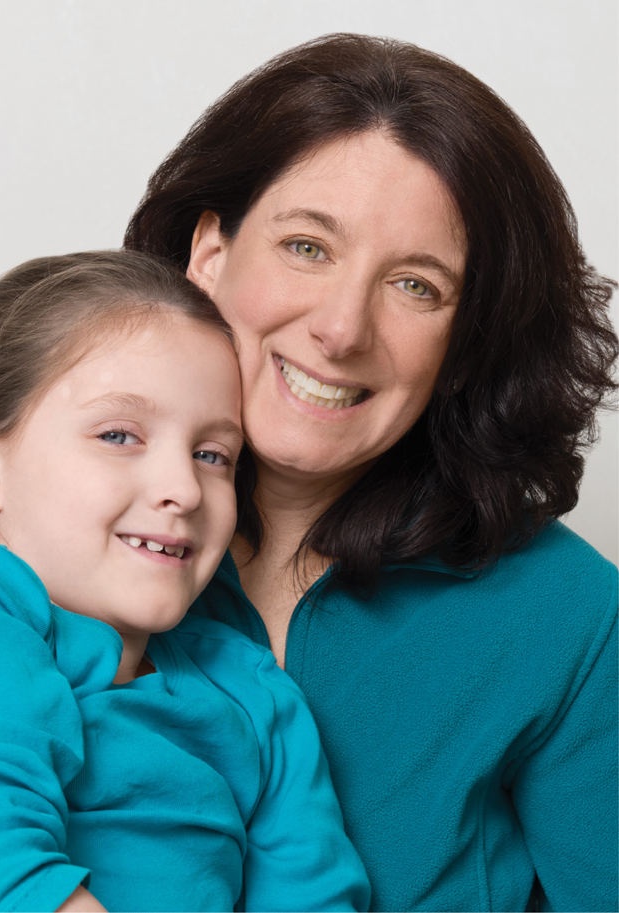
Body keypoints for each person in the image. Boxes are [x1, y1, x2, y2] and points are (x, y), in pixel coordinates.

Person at [124, 34, 619, 912]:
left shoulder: (572, 621)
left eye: (416, 286)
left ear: (468, 346)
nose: (343, 328)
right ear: (208, 253)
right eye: (308, 247)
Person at [0, 250, 370, 913]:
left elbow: (316, 894)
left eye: (212, 454)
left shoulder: (255, 694)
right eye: (120, 435)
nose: (183, 488)